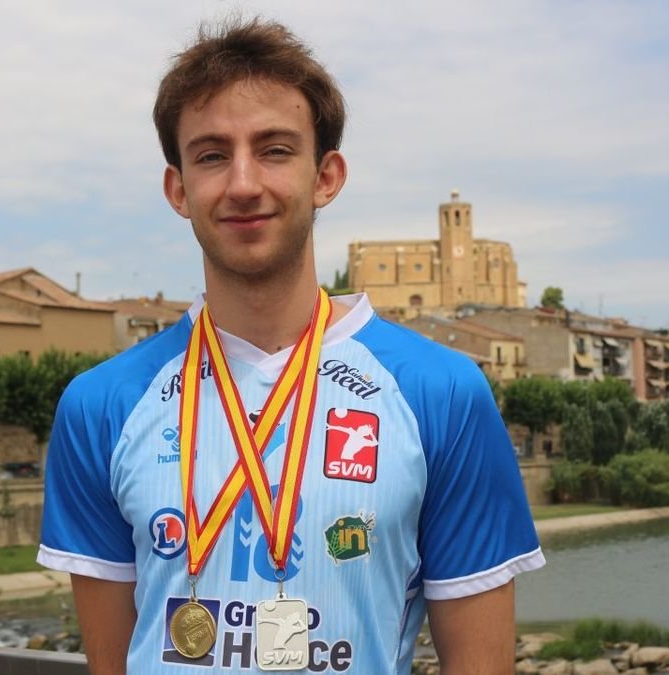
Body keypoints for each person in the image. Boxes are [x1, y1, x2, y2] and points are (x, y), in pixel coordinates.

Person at [38, 17, 544, 674]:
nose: (244, 183)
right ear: (178, 189)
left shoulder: (441, 392)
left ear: (326, 176)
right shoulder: (100, 404)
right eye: (213, 154)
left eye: (275, 149)